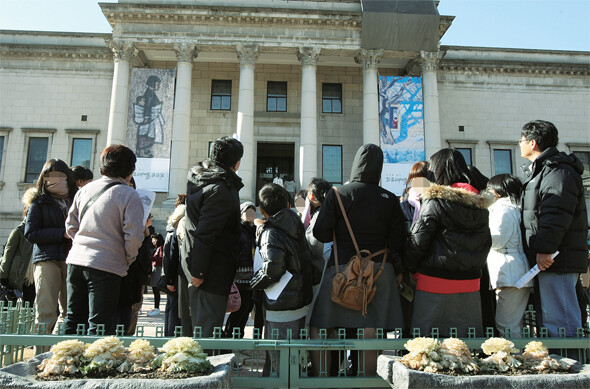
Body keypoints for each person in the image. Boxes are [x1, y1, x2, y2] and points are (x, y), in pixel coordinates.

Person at [311, 144, 406, 377]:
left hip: (342, 268)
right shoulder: (390, 199)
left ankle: (323, 379)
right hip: (379, 271)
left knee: (321, 325)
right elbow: (398, 240)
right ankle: (367, 380)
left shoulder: (337, 194)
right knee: (369, 327)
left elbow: (320, 233)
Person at [404, 148, 492, 338]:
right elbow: (486, 242)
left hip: (433, 279)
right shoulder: (481, 206)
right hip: (470, 282)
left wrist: (409, 267)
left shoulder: (435, 200)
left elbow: (419, 240)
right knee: (465, 342)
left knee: (427, 343)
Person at [64, 145, 144, 335]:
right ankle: (93, 364)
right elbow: (133, 235)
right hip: (107, 265)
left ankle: (63, 361)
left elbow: (70, 227)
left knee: (73, 320)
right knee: (99, 325)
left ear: (102, 168)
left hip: (76, 260)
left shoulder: (85, 190)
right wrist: (127, 258)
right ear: (131, 171)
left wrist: (84, 243)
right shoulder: (130, 195)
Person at [519, 120, 588, 339]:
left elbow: (556, 214)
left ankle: (574, 369)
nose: (518, 144)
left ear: (532, 142)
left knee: (561, 320)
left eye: (521, 140)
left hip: (557, 259)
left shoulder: (557, 171)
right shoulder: (546, 170)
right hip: (550, 259)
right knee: (552, 321)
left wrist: (545, 250)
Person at [182, 136, 244, 337]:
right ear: (236, 163)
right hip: (209, 271)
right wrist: (198, 272)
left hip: (201, 265)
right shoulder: (220, 188)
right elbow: (206, 234)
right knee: (206, 334)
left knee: (199, 330)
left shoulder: (201, 178)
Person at [250, 183, 313, 376]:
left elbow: (273, 270)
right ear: (287, 204)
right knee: (295, 356)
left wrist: (254, 283)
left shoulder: (271, 232)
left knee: (280, 359)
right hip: (299, 300)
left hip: (281, 303)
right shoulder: (296, 224)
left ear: (262, 209)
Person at [25, 159, 77, 334]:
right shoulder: (38, 202)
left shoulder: (77, 200)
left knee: (69, 311)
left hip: (72, 259)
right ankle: (39, 355)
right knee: (45, 311)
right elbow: (30, 233)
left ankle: (60, 354)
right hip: (47, 259)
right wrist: (60, 233)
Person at [486, 174, 532, 338]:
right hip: (515, 271)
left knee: (506, 324)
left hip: (510, 272)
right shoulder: (513, 208)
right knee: (512, 323)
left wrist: (479, 235)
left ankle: (513, 359)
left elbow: (498, 240)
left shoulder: (502, 210)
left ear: (498, 192)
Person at [223, 201, 257, 338]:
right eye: (247, 212)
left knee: (247, 307)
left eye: (252, 212)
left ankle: (239, 335)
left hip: (251, 274)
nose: (250, 215)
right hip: (238, 275)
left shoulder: (254, 229)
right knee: (238, 307)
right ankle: (229, 335)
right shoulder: (237, 229)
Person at [0, 187, 37, 307]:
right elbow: (8, 254)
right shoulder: (19, 231)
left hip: (34, 278)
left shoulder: (40, 231)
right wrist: (3, 277)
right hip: (18, 277)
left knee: (29, 306)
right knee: (14, 307)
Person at [162, 194, 185, 337]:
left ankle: (169, 337)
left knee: (172, 308)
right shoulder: (174, 232)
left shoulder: (171, 229)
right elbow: (170, 258)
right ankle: (172, 339)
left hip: (174, 277)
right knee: (175, 311)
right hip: (175, 278)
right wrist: (170, 280)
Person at [147, 233, 165, 317]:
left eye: (153, 239)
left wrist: (151, 258)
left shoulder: (161, 248)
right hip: (155, 269)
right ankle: (155, 307)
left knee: (156, 289)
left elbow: (161, 259)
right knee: (154, 290)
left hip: (158, 269)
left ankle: (157, 307)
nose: (152, 241)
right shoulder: (157, 248)